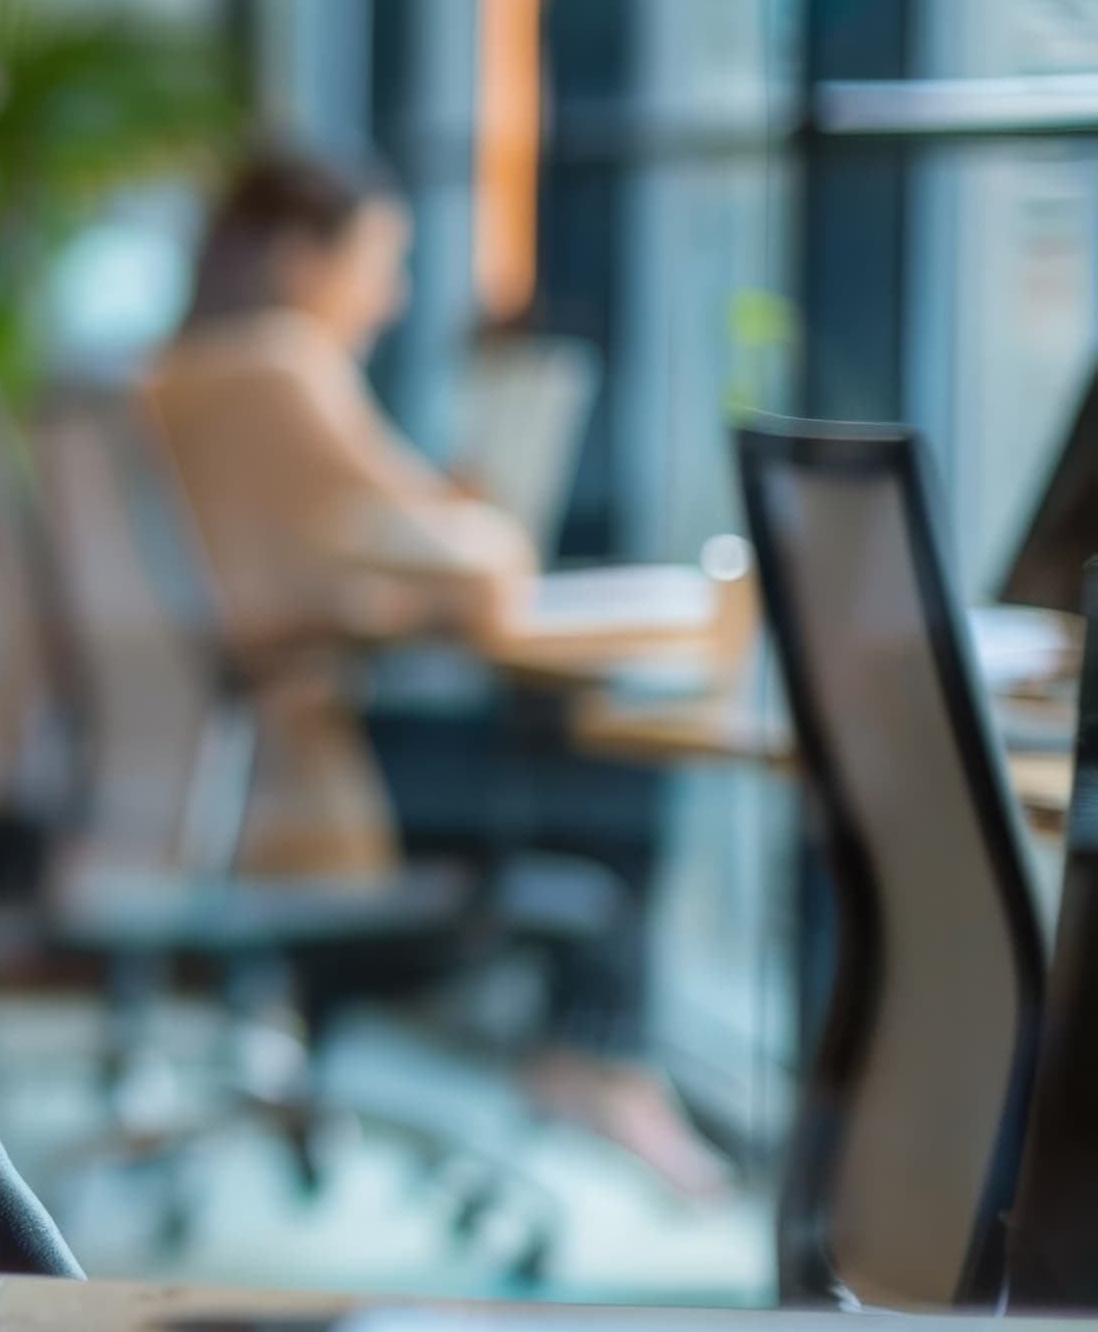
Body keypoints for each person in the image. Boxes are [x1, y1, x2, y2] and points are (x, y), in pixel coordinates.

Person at [140, 146, 724, 1199]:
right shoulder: (277, 366)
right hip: (304, 784)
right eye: (377, 261)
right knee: (625, 759)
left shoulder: (179, 377)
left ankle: (593, 1052)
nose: (392, 295)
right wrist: (482, 506)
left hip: (237, 764)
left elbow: (325, 554)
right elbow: (482, 560)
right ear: (293, 254)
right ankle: (591, 1053)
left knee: (583, 757)